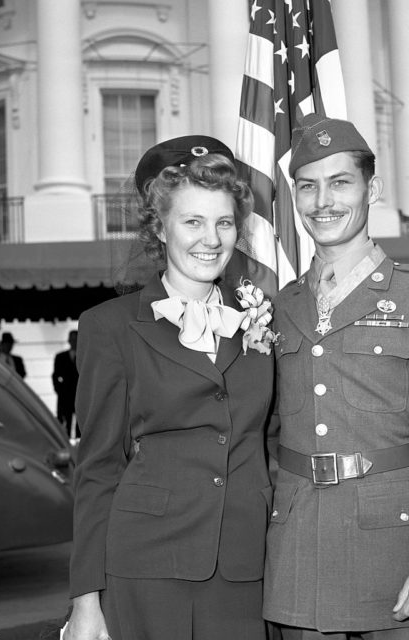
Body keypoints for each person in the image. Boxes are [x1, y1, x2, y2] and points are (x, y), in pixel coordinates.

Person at [263, 114, 409, 640]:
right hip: (299, 557)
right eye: (308, 187)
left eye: (340, 183)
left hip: (397, 558)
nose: (323, 202)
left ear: (372, 189)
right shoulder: (279, 308)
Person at [64, 136, 278, 640]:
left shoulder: (263, 318)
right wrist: (85, 602)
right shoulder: (110, 326)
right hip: (146, 565)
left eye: (224, 222)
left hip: (248, 566)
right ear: (160, 227)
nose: (211, 239)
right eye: (193, 222)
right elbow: (96, 468)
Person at [52, 330, 80, 440]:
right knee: (65, 425)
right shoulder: (61, 357)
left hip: (81, 395)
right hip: (66, 396)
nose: (74, 342)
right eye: (72, 339)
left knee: (81, 425)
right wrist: (59, 390)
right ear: (69, 341)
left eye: (76, 339)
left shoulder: (86, 356)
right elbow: (55, 376)